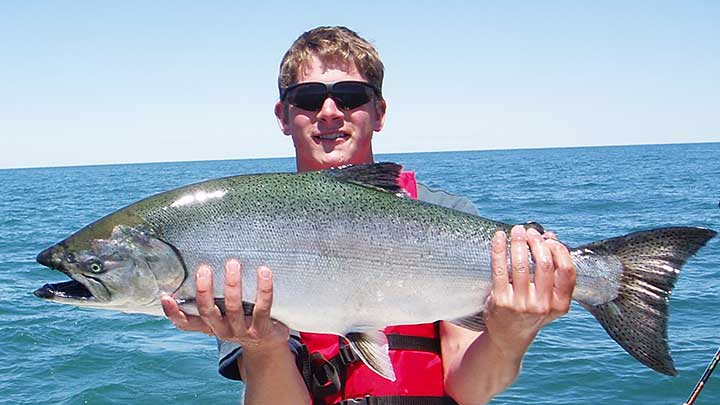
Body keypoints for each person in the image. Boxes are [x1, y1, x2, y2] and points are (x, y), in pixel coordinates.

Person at [161, 26, 576, 405]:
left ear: (378, 112)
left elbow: (469, 390)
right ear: (283, 116)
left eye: (350, 97)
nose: (328, 111)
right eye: (307, 98)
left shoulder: (447, 215)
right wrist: (261, 345)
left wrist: (510, 333)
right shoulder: (237, 233)